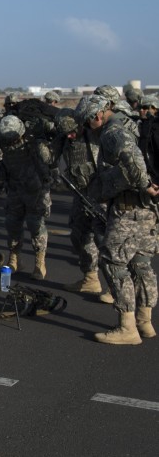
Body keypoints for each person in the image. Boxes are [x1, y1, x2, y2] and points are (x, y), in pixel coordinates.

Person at [83, 94, 159, 345]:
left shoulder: (111, 132)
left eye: (87, 121)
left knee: (114, 262)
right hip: (148, 211)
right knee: (141, 264)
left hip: (127, 209)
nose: (87, 127)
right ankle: (145, 322)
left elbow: (133, 159)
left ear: (97, 115)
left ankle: (127, 327)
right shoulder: (132, 124)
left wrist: (145, 184)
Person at [0, 115, 54, 280]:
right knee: (12, 224)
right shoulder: (2, 138)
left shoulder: (33, 140)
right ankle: (14, 258)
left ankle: (40, 262)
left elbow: (48, 162)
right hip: (15, 187)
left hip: (35, 189)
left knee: (35, 225)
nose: (10, 143)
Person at [53, 105, 106, 294]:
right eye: (65, 133)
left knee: (107, 243)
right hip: (80, 196)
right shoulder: (65, 139)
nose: (70, 136)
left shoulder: (97, 138)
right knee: (79, 236)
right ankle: (90, 278)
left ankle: (118, 289)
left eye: (73, 132)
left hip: (101, 197)